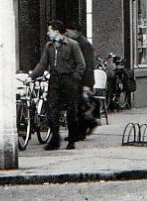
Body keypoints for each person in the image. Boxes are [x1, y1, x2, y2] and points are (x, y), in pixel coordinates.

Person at [30, 21, 85, 150]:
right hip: (54, 80)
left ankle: (72, 139)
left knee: (71, 111)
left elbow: (81, 64)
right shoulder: (48, 46)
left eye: (49, 30)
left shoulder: (72, 45)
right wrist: (32, 76)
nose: (48, 33)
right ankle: (55, 139)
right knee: (51, 109)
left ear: (56, 31)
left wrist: (74, 79)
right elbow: (42, 64)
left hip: (68, 79)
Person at [66, 25, 99, 137]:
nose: (67, 33)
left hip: (84, 80)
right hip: (78, 79)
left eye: (69, 30)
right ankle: (87, 125)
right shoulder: (75, 43)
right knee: (79, 106)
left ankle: (82, 130)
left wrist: (87, 84)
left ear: (76, 31)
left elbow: (88, 65)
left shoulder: (84, 45)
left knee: (81, 106)